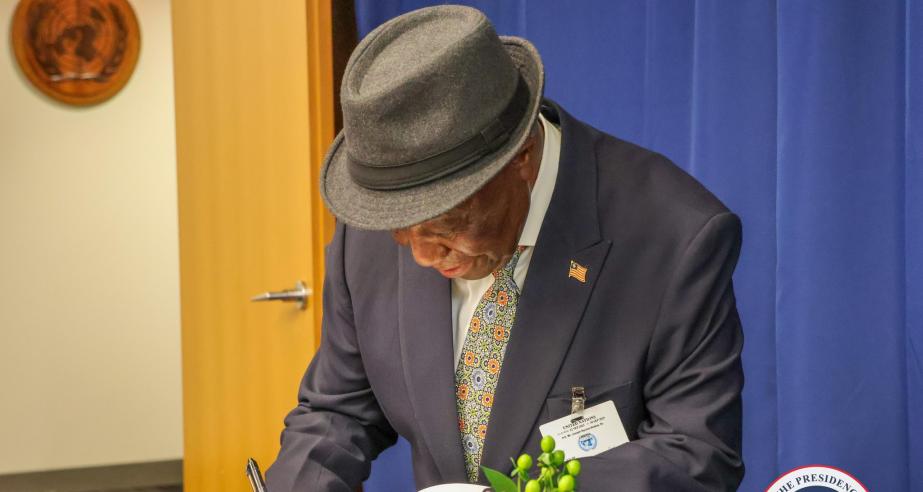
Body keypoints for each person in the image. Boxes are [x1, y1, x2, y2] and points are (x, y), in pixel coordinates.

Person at [266, 5, 744, 491]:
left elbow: (697, 454)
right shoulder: (378, 218)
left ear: (522, 157)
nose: (421, 256)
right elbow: (337, 413)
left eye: (447, 224)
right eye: (400, 232)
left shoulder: (674, 236)